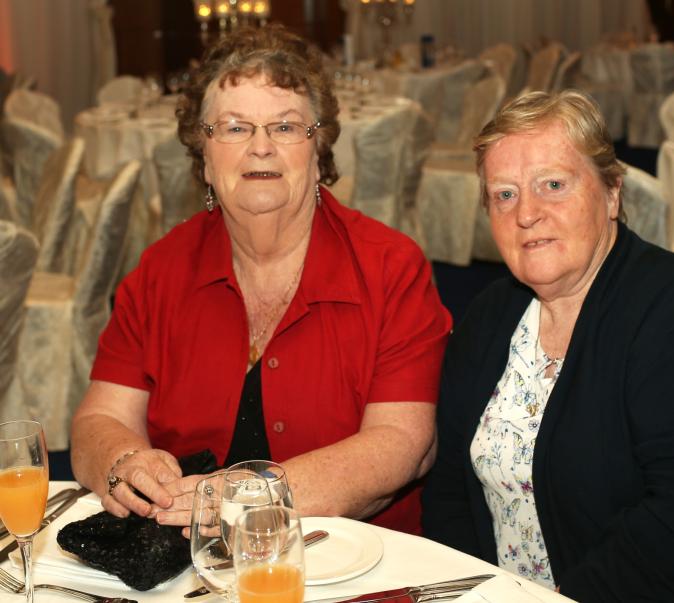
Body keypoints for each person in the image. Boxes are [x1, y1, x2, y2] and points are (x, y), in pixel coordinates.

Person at [421, 90, 674, 601]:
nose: (526, 213)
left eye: (553, 185)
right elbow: (450, 488)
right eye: (504, 194)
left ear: (612, 193)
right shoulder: (490, 318)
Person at [70, 24, 451, 535]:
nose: (261, 147)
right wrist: (124, 463)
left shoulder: (389, 268)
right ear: (205, 158)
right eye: (234, 128)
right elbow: (97, 422)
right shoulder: (160, 271)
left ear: (319, 151)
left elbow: (403, 443)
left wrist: (250, 496)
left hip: (350, 560)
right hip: (190, 558)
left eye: (286, 127)